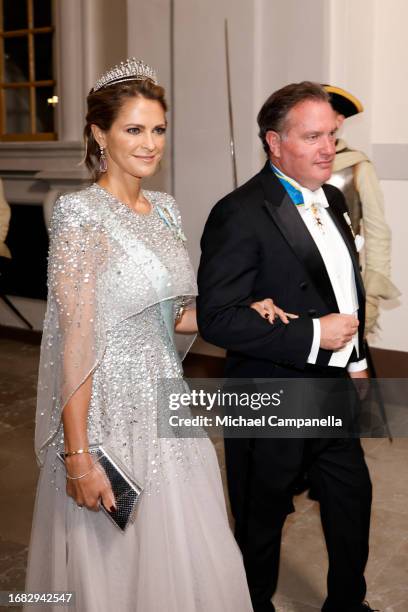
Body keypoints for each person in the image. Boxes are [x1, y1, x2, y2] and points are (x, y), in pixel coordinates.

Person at [24, 58, 256, 612]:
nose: (150, 143)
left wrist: (247, 310)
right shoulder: (79, 215)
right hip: (107, 412)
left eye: (158, 129)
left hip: (167, 409)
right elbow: (75, 339)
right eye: (134, 129)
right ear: (99, 134)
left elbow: (172, 317)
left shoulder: (167, 210)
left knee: (187, 554)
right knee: (114, 563)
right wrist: (79, 455)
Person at [197, 82, 376, 612]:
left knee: (351, 500)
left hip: (332, 387)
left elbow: (344, 290)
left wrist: (358, 362)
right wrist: (314, 334)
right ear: (274, 143)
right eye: (313, 136)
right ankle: (253, 605)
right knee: (261, 516)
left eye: (333, 135)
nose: (328, 148)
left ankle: (348, 602)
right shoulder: (240, 212)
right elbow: (218, 319)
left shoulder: (335, 197)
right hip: (269, 389)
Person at [323, 84, 400, 334]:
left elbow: (377, 232)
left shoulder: (358, 166)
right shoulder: (290, 165)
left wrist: (372, 294)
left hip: (344, 279)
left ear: (339, 120)